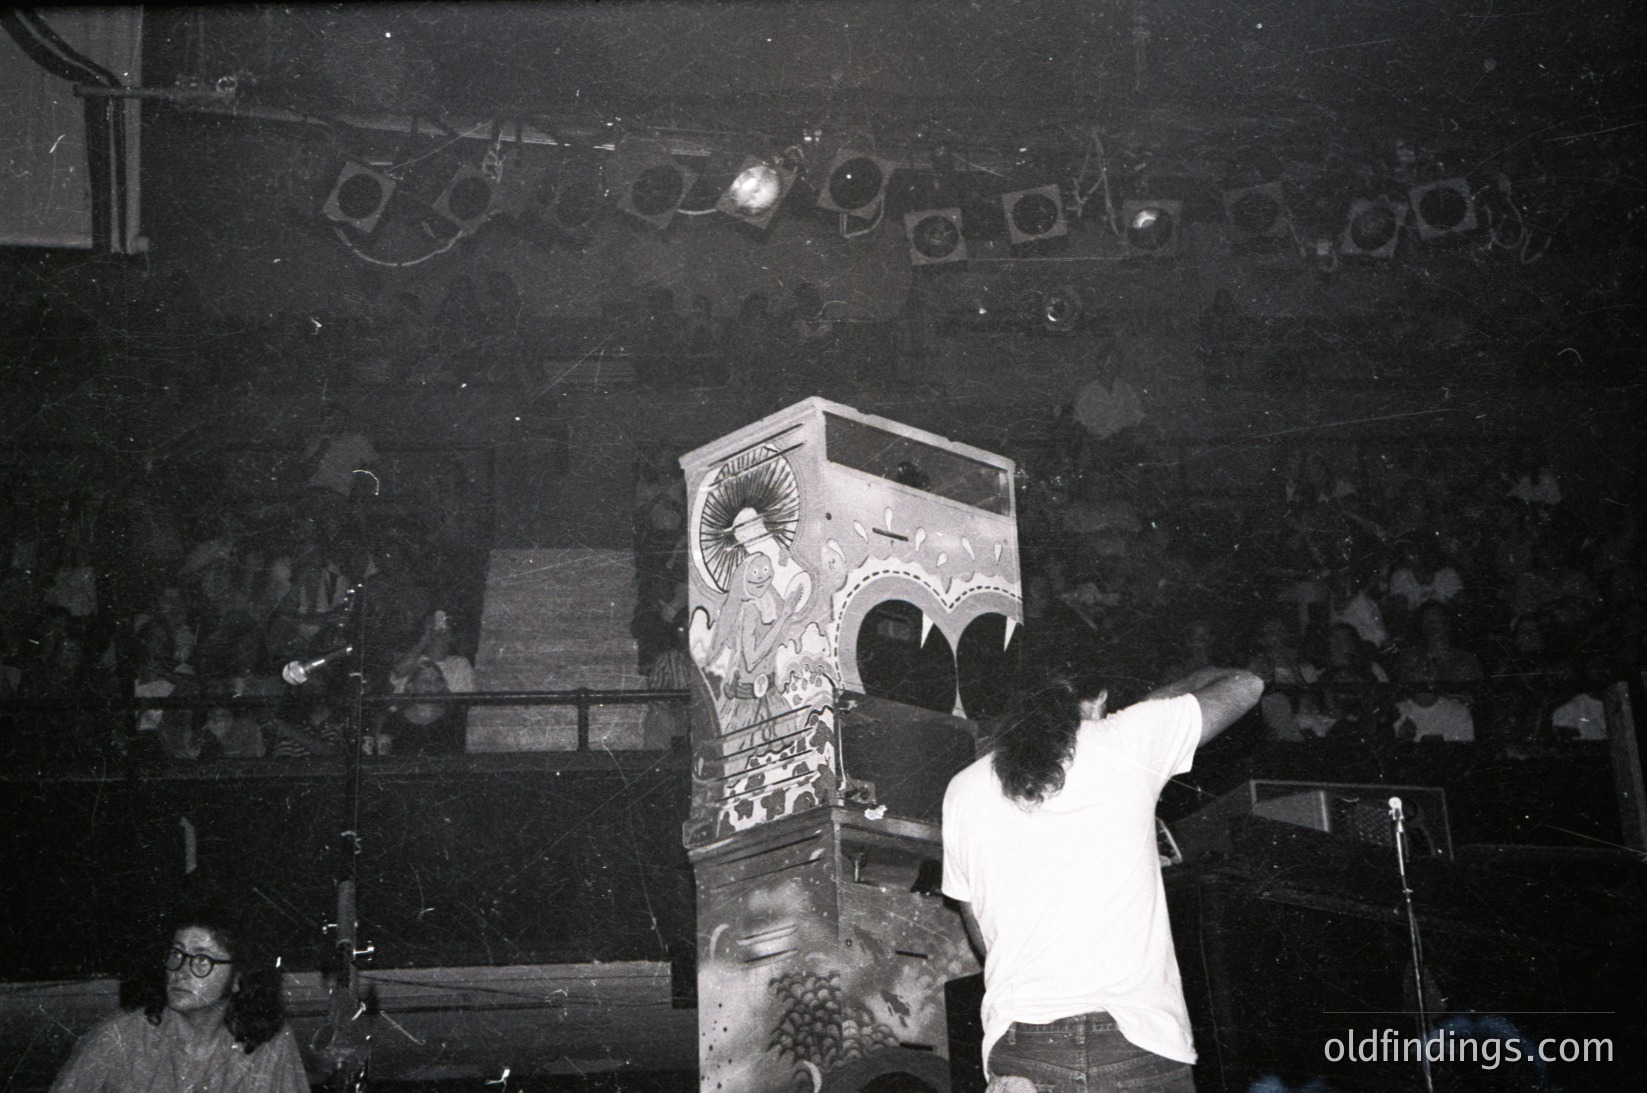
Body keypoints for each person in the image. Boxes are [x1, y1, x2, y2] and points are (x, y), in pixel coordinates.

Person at [942, 666, 1263, 1091]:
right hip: (1132, 1044)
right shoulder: (1126, 739)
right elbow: (1247, 684)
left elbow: (980, 932)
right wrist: (1140, 711)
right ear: (1098, 702)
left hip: (1022, 1052)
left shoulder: (963, 788)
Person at [49, 904, 309, 1092]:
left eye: (202, 960)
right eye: (177, 954)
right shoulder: (118, 1039)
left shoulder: (269, 1042)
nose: (181, 972)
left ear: (239, 977)